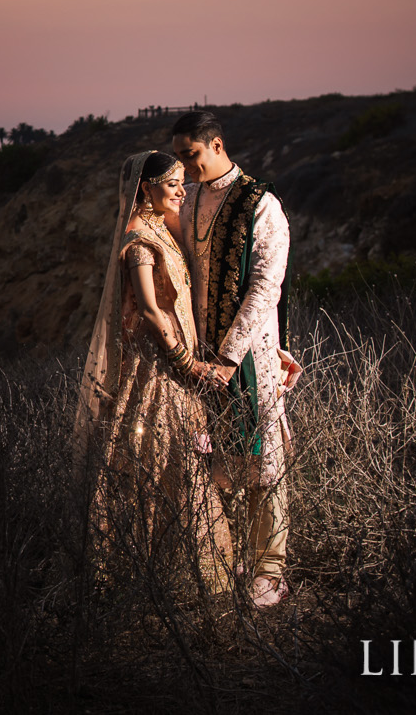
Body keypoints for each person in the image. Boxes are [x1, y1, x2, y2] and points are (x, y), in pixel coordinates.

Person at [75, 149, 234, 598]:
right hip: (157, 368)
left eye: (184, 182)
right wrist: (188, 363)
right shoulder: (139, 242)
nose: (183, 192)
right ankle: (156, 571)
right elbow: (149, 310)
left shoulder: (164, 233)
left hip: (176, 365)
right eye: (173, 184)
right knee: (160, 454)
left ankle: (187, 569)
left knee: (179, 459)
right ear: (146, 188)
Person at [170, 110, 300, 609]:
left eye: (191, 155)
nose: (185, 166)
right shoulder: (193, 195)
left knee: (262, 456)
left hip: (247, 354)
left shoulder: (261, 203)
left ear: (217, 144)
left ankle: (270, 568)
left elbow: (267, 286)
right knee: (216, 459)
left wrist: (229, 354)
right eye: (180, 157)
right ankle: (233, 556)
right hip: (200, 351)